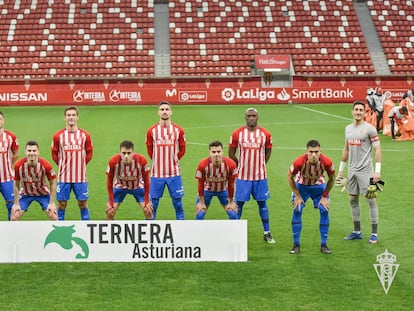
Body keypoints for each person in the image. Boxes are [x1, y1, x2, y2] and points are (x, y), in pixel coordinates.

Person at [337, 100, 382, 244]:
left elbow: (378, 149)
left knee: (371, 201)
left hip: (367, 172)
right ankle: (357, 231)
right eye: (356, 109)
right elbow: (346, 150)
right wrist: (340, 170)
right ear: (352, 111)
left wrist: (377, 172)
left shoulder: (370, 129)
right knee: (353, 200)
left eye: (361, 110)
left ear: (364, 112)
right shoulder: (348, 129)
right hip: (352, 172)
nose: (358, 112)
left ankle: (374, 234)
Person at [229, 107, 275, 244]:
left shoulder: (265, 134)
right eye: (249, 116)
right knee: (239, 203)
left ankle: (267, 233)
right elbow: (231, 153)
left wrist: (261, 164)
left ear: (257, 117)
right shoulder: (237, 133)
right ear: (245, 117)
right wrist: (240, 165)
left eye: (253, 116)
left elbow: (268, 152)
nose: (251, 118)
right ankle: (234, 232)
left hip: (260, 177)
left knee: (262, 203)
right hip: (243, 176)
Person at [287, 140, 336, 254]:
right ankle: (296, 245)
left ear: (320, 151)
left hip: (318, 187)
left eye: (316, 152)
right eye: (311, 152)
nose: (314, 155)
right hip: (301, 186)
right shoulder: (299, 162)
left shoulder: (327, 162)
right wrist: (298, 196)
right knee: (297, 209)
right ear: (307, 152)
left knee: (324, 210)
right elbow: (290, 177)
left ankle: (324, 245)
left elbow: (332, 178)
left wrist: (324, 196)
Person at [51, 105, 93, 220]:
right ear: (64, 117)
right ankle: (59, 228)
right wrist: (61, 165)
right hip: (63, 177)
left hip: (80, 177)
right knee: (61, 204)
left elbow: (89, 153)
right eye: (68, 115)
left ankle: (86, 228)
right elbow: (54, 153)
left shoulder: (85, 135)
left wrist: (82, 165)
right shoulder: (58, 136)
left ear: (77, 117)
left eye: (73, 115)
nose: (71, 117)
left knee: (83, 203)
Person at [145, 101, 186, 220]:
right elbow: (149, 149)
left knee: (178, 204)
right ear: (158, 112)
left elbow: (183, 149)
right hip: (156, 174)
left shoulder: (178, 130)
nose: (164, 111)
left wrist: (174, 160)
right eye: (162, 109)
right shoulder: (151, 131)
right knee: (153, 205)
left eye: (167, 109)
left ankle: (182, 227)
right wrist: (157, 161)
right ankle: (149, 230)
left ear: (171, 112)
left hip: (174, 174)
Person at [105, 140, 153, 220]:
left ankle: (150, 231)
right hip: (120, 186)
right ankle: (109, 231)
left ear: (133, 153)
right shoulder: (113, 161)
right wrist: (110, 202)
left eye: (129, 153)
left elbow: (147, 182)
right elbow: (109, 182)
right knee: (110, 212)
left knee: (148, 211)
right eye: (123, 153)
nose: (126, 156)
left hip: (137, 186)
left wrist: (147, 201)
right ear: (120, 153)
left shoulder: (142, 160)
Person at [11, 141, 57, 221]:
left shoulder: (46, 165)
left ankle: (58, 233)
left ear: (38, 152)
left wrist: (52, 203)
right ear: (25, 152)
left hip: (43, 193)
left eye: (34, 151)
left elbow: (53, 183)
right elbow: (16, 184)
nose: (32, 153)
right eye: (29, 151)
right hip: (25, 193)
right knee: (14, 217)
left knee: (53, 216)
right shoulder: (18, 166)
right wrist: (16, 203)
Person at [195, 140, 238, 220]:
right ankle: (199, 232)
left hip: (223, 189)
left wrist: (231, 202)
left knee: (233, 214)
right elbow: (200, 183)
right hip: (207, 189)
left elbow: (231, 184)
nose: (216, 154)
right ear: (209, 152)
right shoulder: (203, 165)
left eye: (218, 151)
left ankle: (232, 232)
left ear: (222, 152)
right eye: (213, 152)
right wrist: (201, 202)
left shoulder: (231, 165)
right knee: (200, 214)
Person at [0, 111, 19, 220]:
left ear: (3, 120)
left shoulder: (11, 136)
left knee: (12, 206)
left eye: (0, 119)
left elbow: (15, 153)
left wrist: (9, 164)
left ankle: (11, 230)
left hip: (7, 178)